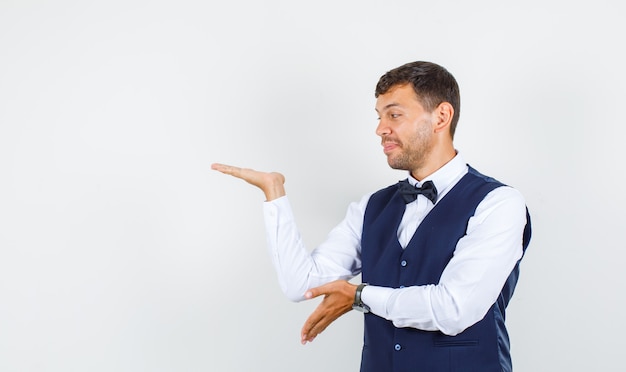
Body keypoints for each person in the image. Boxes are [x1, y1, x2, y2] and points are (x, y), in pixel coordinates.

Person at [212, 61, 531, 372]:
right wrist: (274, 194)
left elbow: (454, 309)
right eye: (379, 117)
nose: (380, 129)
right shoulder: (372, 206)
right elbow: (302, 284)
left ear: (441, 117)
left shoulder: (499, 203)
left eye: (394, 114)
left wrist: (360, 296)